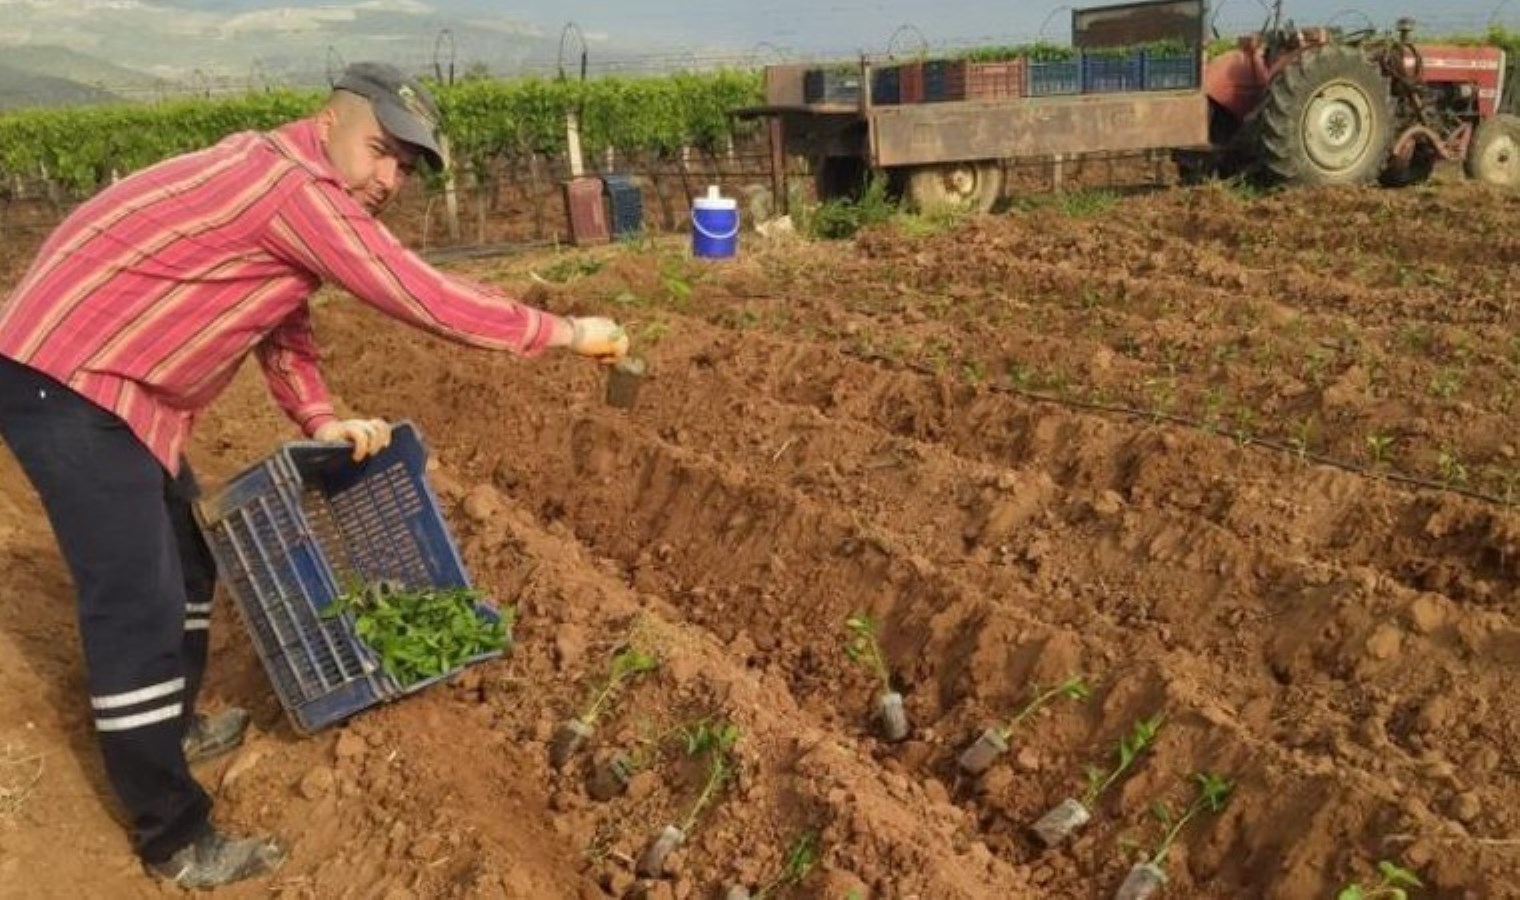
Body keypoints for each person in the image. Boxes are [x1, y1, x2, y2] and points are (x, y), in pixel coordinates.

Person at [0, 62, 628, 888]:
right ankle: (173, 838)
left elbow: (279, 317)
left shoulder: (283, 183)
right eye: (382, 151)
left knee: (190, 560)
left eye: (405, 166)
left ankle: (174, 727)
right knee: (137, 603)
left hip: (119, 390)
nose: (389, 179)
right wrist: (564, 331)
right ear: (331, 121)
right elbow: (421, 294)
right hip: (70, 380)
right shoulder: (296, 188)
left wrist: (320, 419)